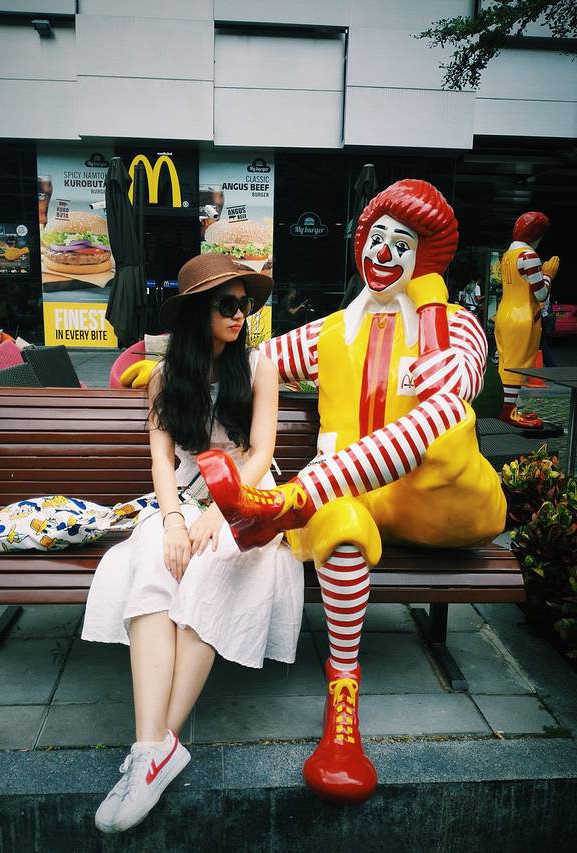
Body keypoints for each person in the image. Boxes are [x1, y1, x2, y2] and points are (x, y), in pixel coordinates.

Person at [195, 179, 506, 804]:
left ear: (423, 260)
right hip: (355, 499)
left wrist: (444, 334)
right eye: (376, 237)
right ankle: (343, 707)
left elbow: (460, 377)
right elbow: (252, 361)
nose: (384, 252)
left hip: (439, 501)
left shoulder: (454, 325)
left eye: (402, 244)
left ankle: (285, 504)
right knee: (340, 525)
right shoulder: (332, 332)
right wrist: (162, 361)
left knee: (450, 416)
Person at [81, 253, 304, 834]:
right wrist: (177, 519)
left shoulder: (258, 367)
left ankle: (156, 750)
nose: (240, 314)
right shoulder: (164, 378)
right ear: (195, 313)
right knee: (153, 564)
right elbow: (161, 460)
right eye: (226, 304)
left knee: (212, 568)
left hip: (245, 498)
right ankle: (152, 748)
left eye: (245, 304)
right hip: (181, 499)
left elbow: (261, 453)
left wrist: (220, 513)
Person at [494, 211, 560, 428]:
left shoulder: (508, 256)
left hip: (505, 314)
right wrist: (548, 274)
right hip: (522, 317)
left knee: (506, 362)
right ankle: (508, 411)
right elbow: (541, 294)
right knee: (517, 365)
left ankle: (508, 406)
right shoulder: (528, 255)